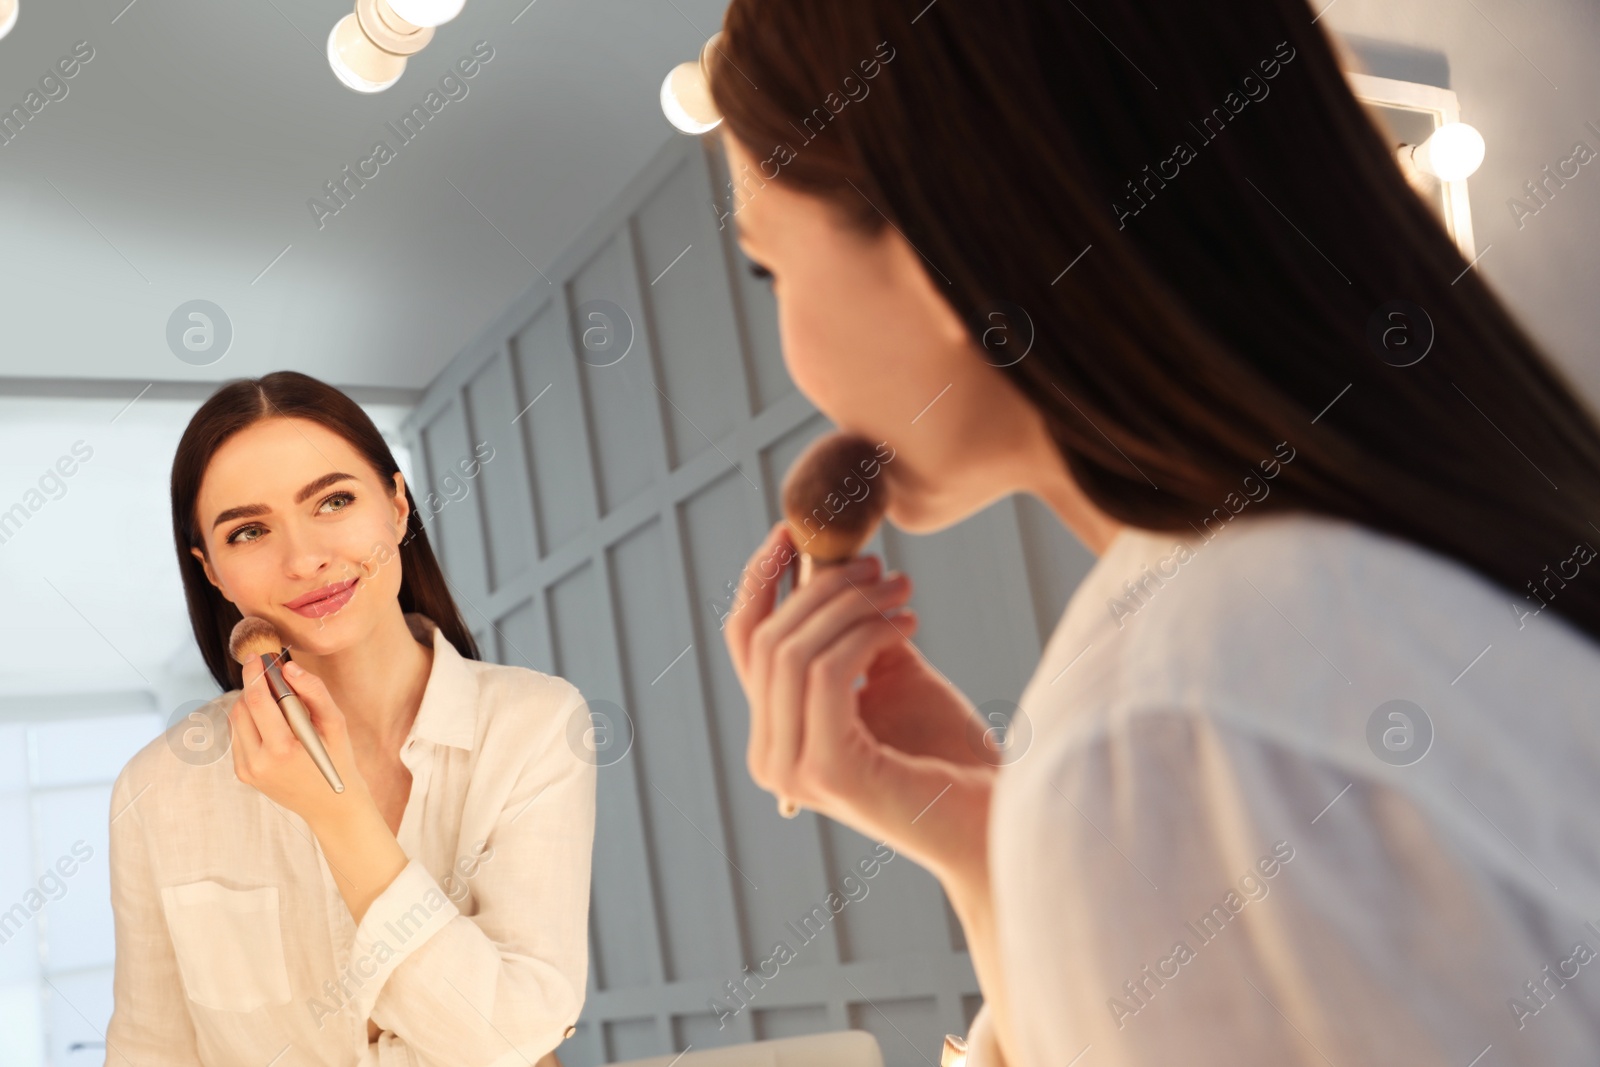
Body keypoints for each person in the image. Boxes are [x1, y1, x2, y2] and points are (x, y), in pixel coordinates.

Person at [711, 2, 1600, 1063]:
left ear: (932, 243)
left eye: (770, 266)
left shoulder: (1173, 732)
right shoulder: (1407, 558)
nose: (785, 344)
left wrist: (1080, 829)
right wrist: (988, 849)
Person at [106, 371, 594, 1066]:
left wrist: (337, 815)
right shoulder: (156, 789)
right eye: (248, 531)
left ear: (397, 506)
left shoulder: (533, 724)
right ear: (210, 569)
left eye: (333, 500)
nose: (304, 558)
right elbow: (149, 1050)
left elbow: (513, 1036)